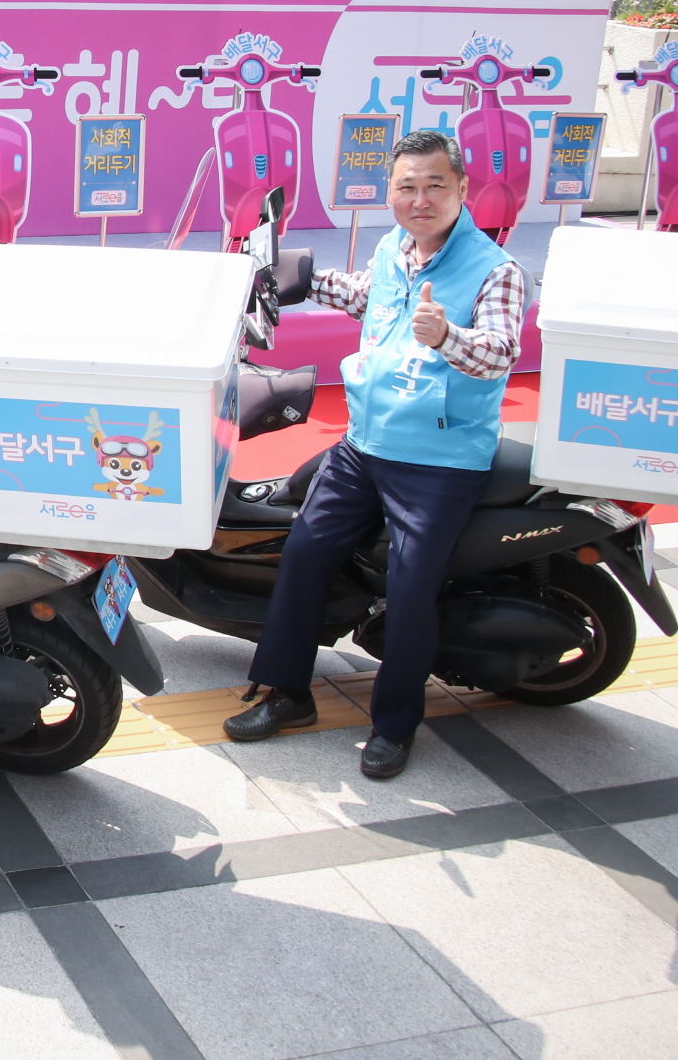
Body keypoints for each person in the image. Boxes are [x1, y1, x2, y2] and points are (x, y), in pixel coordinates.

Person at [224, 128, 527, 779]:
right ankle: (287, 692)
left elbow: (502, 352)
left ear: (462, 189)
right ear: (391, 192)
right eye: (407, 186)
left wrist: (446, 336)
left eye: (435, 185)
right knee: (304, 551)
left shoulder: (494, 269)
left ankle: (394, 725)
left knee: (411, 584)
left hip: (440, 458)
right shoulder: (394, 249)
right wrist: (298, 276)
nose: (420, 199)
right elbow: (368, 298)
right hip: (366, 443)